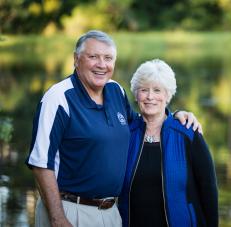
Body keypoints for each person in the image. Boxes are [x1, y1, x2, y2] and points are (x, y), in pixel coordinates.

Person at [25, 30, 201, 227]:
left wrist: (175, 116)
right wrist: (58, 218)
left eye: (108, 58)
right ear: (76, 59)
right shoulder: (58, 98)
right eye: (93, 57)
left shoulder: (116, 90)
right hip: (70, 210)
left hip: (111, 214)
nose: (102, 64)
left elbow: (142, 123)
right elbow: (40, 163)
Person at [118, 59, 218, 227]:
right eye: (144, 90)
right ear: (136, 95)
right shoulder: (125, 134)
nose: (150, 96)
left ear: (167, 95)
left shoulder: (187, 133)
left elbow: (208, 188)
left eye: (157, 90)